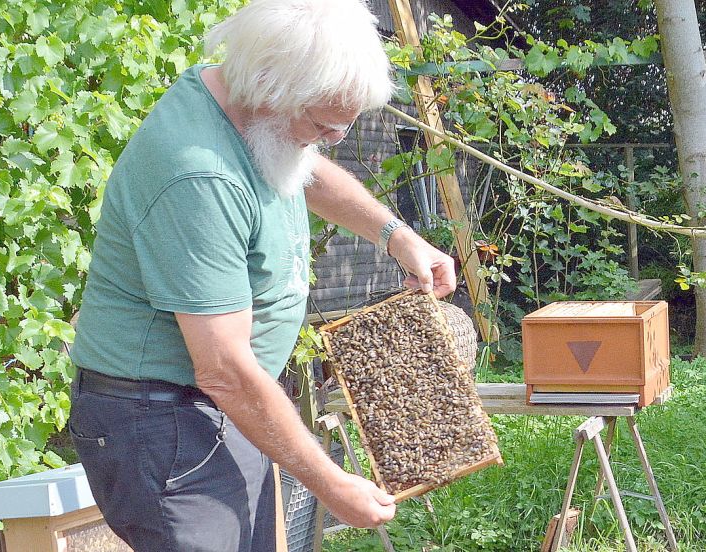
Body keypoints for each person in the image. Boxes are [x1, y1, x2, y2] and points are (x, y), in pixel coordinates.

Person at [68, 0, 456, 550]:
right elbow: (224, 368)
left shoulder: (249, 112)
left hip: (219, 407)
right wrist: (330, 483)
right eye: (324, 122)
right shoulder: (198, 176)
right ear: (268, 85)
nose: (335, 138)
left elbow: (309, 168)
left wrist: (397, 234)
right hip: (164, 423)